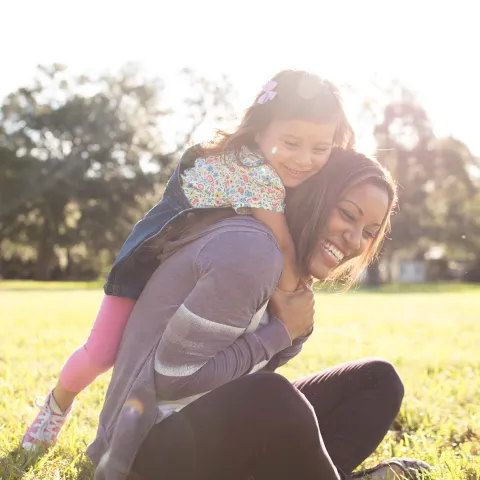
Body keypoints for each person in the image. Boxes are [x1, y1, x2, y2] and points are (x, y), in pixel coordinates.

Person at [22, 69, 355, 451]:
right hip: (146, 268)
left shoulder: (281, 173)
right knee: (101, 352)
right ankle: (56, 406)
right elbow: (281, 246)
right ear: (261, 130)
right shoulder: (249, 169)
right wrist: (296, 303)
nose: (304, 159)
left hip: (196, 275)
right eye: (291, 142)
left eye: (320, 148)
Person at [86, 150, 431, 480]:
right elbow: (173, 379)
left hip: (200, 428)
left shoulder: (288, 271)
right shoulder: (251, 253)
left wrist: (292, 317)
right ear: (315, 195)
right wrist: (281, 331)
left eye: (369, 232)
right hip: (140, 453)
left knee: (377, 380)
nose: (355, 240)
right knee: (272, 397)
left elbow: (250, 373)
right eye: (347, 214)